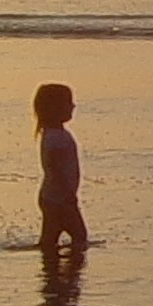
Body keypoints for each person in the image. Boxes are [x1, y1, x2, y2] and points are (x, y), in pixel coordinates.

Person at [30, 78, 89, 261]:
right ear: (55, 108)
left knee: (50, 240)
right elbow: (55, 169)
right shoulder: (55, 137)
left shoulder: (55, 134)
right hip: (59, 199)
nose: (73, 106)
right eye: (68, 103)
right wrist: (68, 194)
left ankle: (51, 269)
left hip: (52, 197)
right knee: (80, 237)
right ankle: (69, 272)